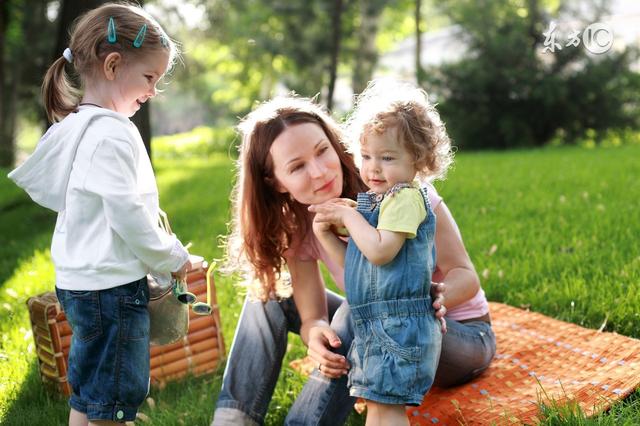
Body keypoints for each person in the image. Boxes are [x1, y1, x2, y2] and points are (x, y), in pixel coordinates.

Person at [212, 94, 495, 426]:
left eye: (322, 152)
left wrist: (429, 297)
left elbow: (465, 275)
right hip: (379, 328)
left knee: (356, 310)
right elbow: (312, 315)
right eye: (297, 166)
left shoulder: (397, 190)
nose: (318, 172)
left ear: (336, 145)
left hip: (459, 337)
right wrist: (316, 334)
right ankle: (233, 420)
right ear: (275, 182)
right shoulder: (301, 225)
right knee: (269, 295)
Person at [8, 4, 190, 425]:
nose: (153, 90)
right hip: (110, 290)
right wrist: (172, 256)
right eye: (149, 78)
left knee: (91, 392)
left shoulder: (80, 125)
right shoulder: (109, 134)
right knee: (115, 399)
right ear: (112, 65)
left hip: (82, 284)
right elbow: (128, 215)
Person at [309, 79, 450, 425]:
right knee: (379, 408)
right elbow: (360, 267)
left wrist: (347, 216)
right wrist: (324, 233)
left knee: (386, 410)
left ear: (419, 160)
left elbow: (381, 252)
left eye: (387, 158)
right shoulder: (377, 203)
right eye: (366, 156)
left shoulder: (406, 198)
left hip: (399, 329)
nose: (373, 168)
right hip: (377, 325)